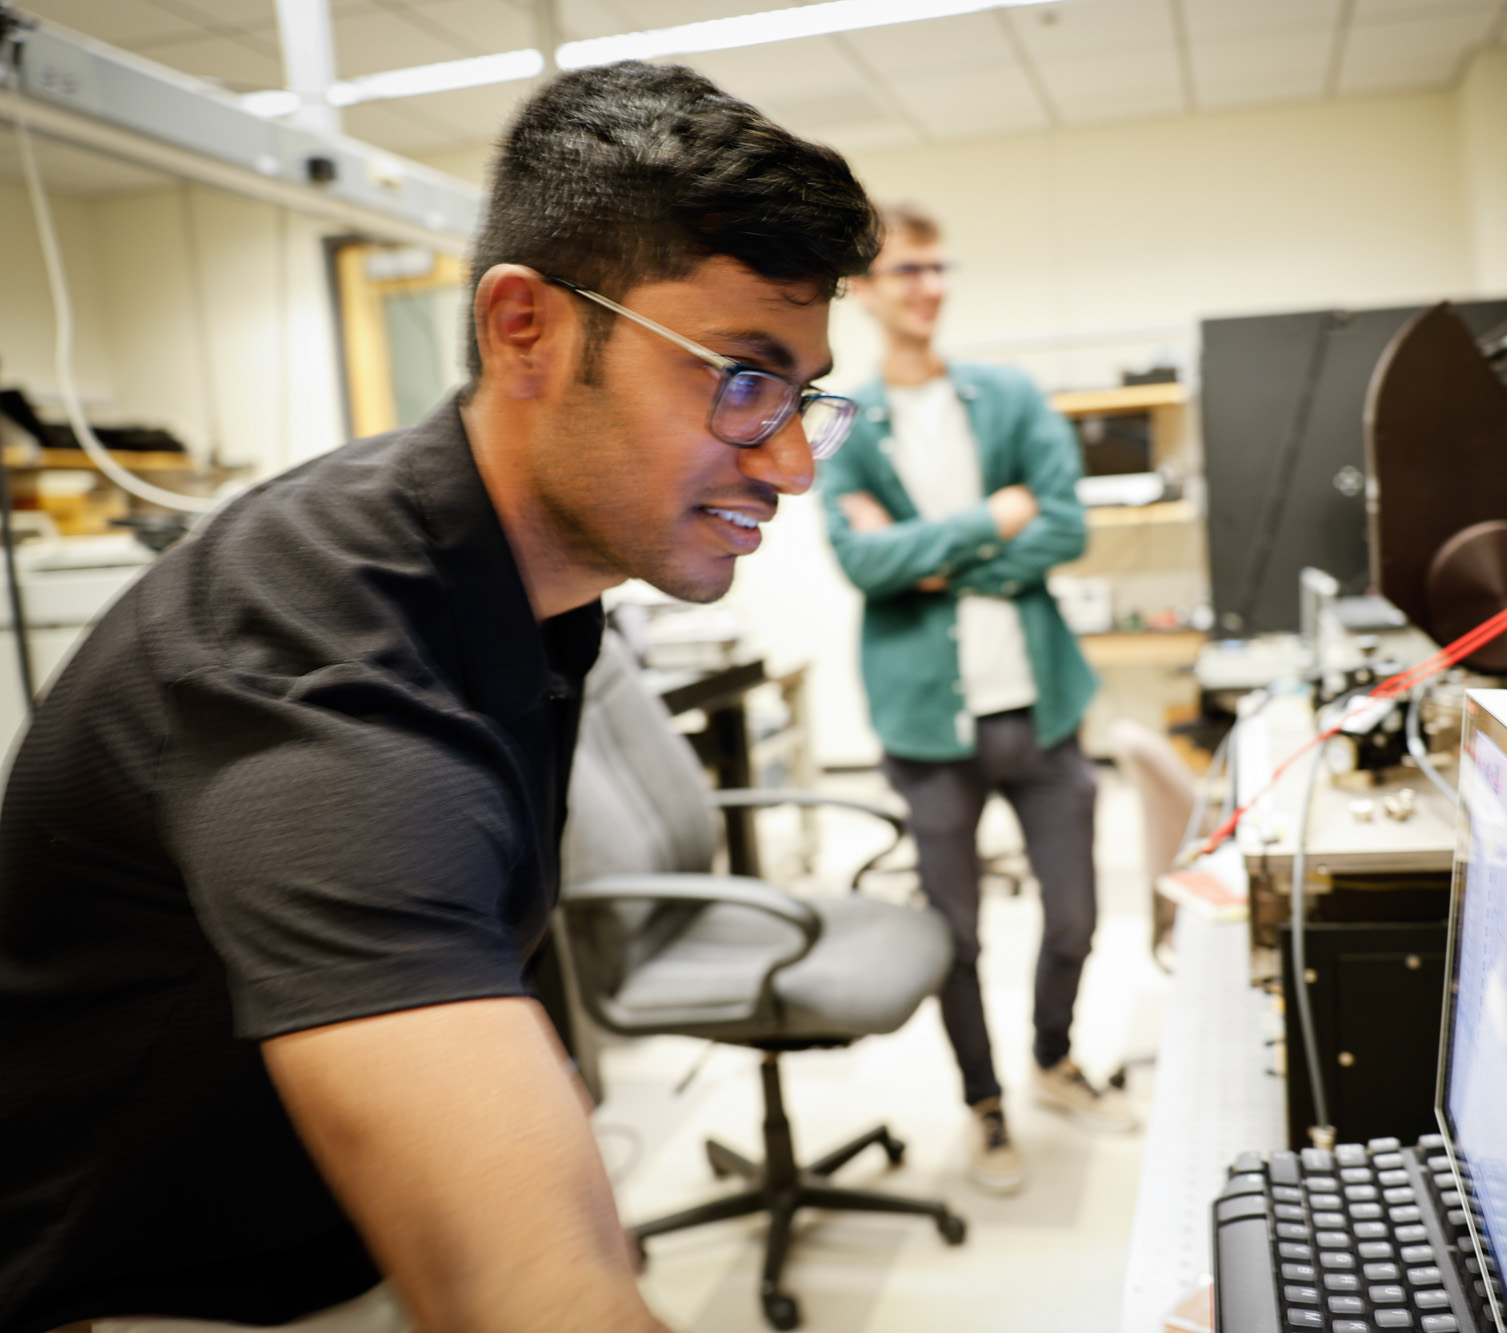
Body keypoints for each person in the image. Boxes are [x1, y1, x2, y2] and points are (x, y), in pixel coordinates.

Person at [0, 64, 877, 1333]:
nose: (789, 460)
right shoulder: (310, 663)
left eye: (800, 395)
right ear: (525, 328)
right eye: (739, 377)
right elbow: (523, 1293)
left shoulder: (529, 578)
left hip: (319, 1227)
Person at [820, 203, 1132, 1197]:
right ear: (861, 290)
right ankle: (985, 1102)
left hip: (1037, 712)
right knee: (953, 934)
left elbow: (1065, 527)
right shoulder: (847, 425)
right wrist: (990, 523)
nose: (928, 287)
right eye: (905, 272)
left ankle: (1052, 1055)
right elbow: (860, 561)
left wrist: (936, 560)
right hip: (924, 726)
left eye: (937, 267)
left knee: (1076, 917)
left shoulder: (1007, 397)